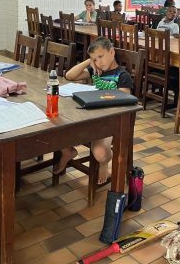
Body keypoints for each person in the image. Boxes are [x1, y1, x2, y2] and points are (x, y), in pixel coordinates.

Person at [55, 37, 133, 184]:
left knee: (100, 153)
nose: (99, 62)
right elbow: (69, 75)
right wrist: (89, 61)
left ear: (112, 52)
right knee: (56, 126)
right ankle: (68, 151)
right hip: (89, 117)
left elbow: (124, 102)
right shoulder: (95, 70)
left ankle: (104, 164)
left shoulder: (122, 76)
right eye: (95, 59)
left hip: (109, 121)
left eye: (101, 56)